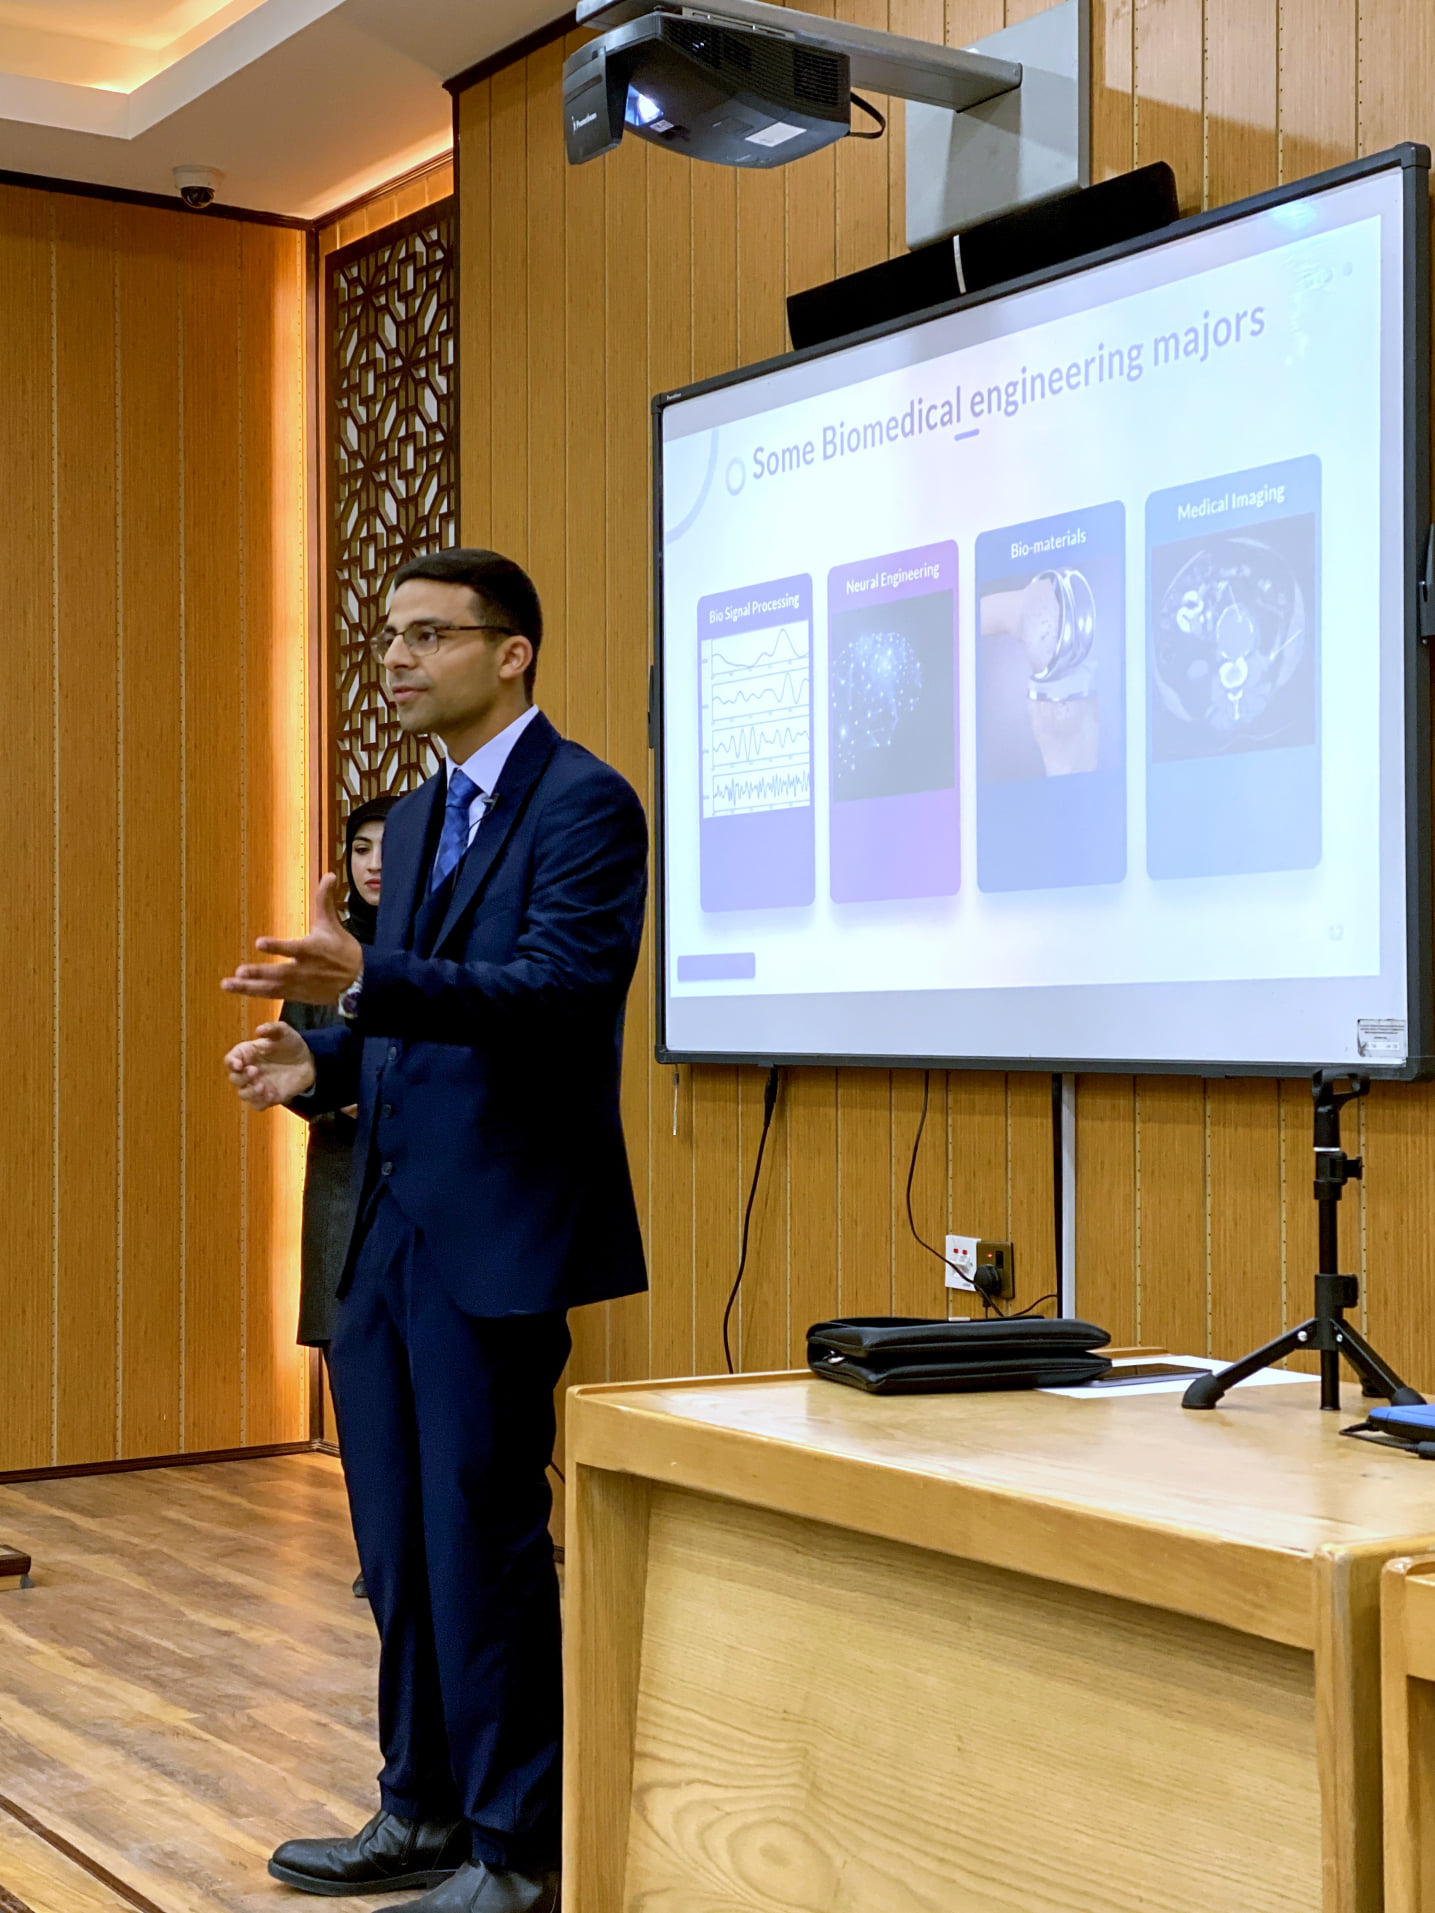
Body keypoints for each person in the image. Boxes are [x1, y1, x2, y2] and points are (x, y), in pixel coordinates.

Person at [220, 549, 647, 1913]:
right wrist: (326, 1060)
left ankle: (514, 1850)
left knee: (481, 1537)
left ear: (510, 652)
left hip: (498, 1226)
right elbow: (414, 1022)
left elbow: (559, 995)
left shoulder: (585, 802)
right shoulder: (410, 823)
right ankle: (416, 1806)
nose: (395, 659)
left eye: (426, 635)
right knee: (396, 1545)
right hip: (382, 1230)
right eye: (389, 635)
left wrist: (371, 981)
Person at [283, 794, 396, 1605]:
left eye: (390, 846)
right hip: (338, 1181)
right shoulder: (321, 954)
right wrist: (328, 1092)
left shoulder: (436, 946)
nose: (374, 863)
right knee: (353, 1380)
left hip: (416, 1186)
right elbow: (291, 1065)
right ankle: (376, 1551)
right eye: (361, 848)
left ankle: (418, 1549)